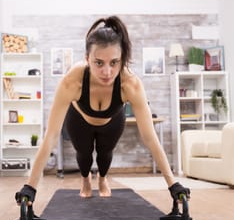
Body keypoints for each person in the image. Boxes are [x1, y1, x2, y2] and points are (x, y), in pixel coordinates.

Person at [15, 15, 190, 205]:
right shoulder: (72, 82)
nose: (107, 72)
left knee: (105, 155)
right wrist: (30, 187)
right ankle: (85, 179)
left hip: (112, 121)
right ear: (87, 58)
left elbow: (149, 137)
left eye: (114, 62)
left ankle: (102, 178)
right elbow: (51, 135)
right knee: (83, 155)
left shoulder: (130, 84)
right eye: (99, 63)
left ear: (121, 59)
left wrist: (173, 184)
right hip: (79, 120)